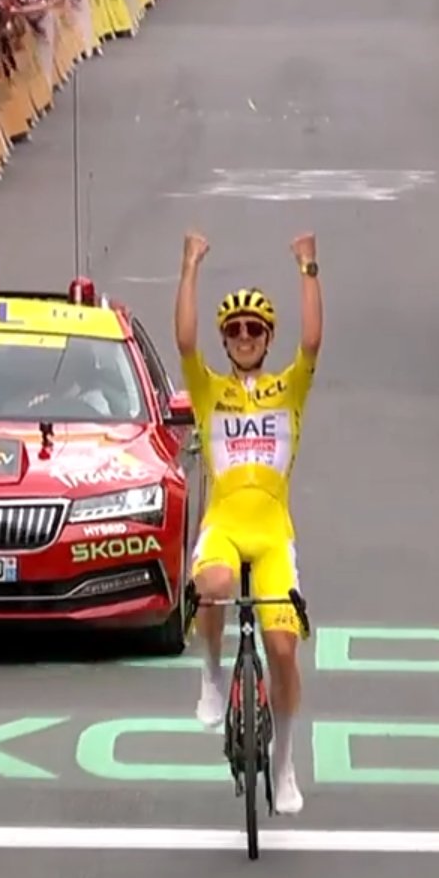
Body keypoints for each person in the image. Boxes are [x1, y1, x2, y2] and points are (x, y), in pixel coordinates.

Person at [173, 229, 323, 815]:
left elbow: (313, 340)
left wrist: (308, 266)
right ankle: (211, 678)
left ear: (266, 338)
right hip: (226, 525)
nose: (242, 337)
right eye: (232, 330)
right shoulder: (210, 390)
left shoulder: (289, 390)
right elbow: (184, 340)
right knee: (213, 586)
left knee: (283, 648)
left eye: (252, 329)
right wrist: (189, 266)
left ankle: (284, 765)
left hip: (272, 534)